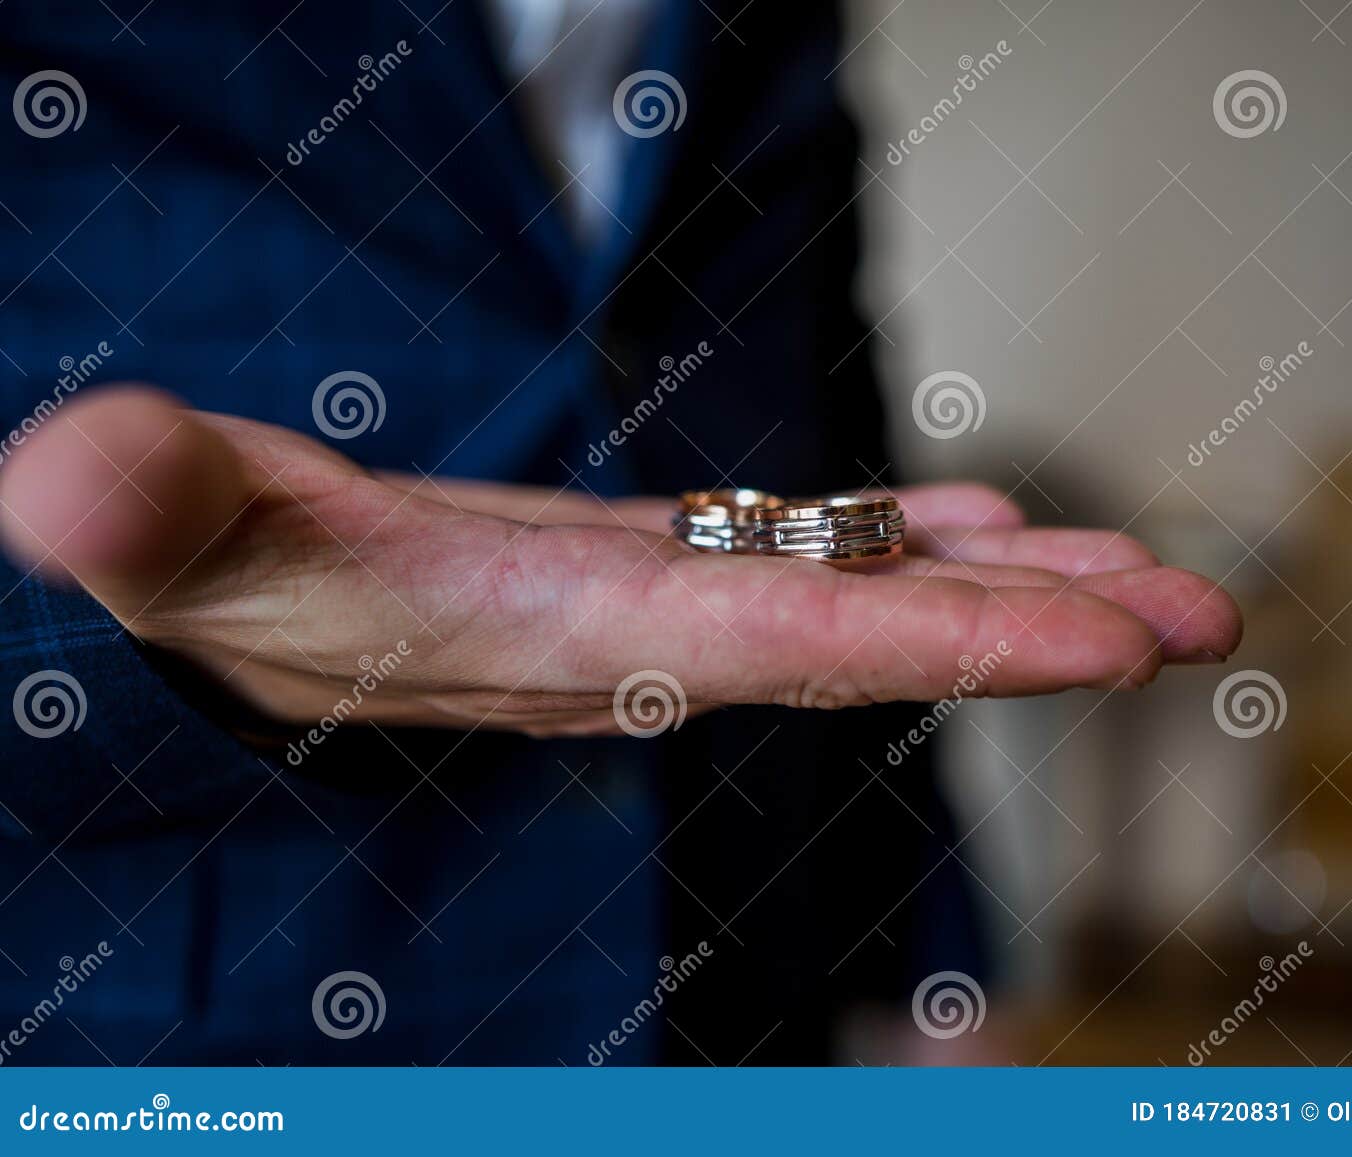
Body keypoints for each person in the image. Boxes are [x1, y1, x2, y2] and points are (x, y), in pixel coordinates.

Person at [0, 1, 1239, 1064]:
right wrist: (132, 631)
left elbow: (820, 371)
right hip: (232, 1011)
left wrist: (935, 972)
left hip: (753, 973)